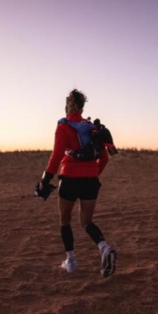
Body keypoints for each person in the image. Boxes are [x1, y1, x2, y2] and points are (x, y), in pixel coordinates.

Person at [35, 89, 117, 278]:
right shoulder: (93, 128)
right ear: (82, 107)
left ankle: (71, 261)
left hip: (69, 178)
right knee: (86, 221)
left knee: (65, 219)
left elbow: (56, 156)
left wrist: (45, 180)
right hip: (90, 180)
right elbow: (104, 158)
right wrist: (93, 174)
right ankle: (104, 248)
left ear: (67, 106)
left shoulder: (63, 126)